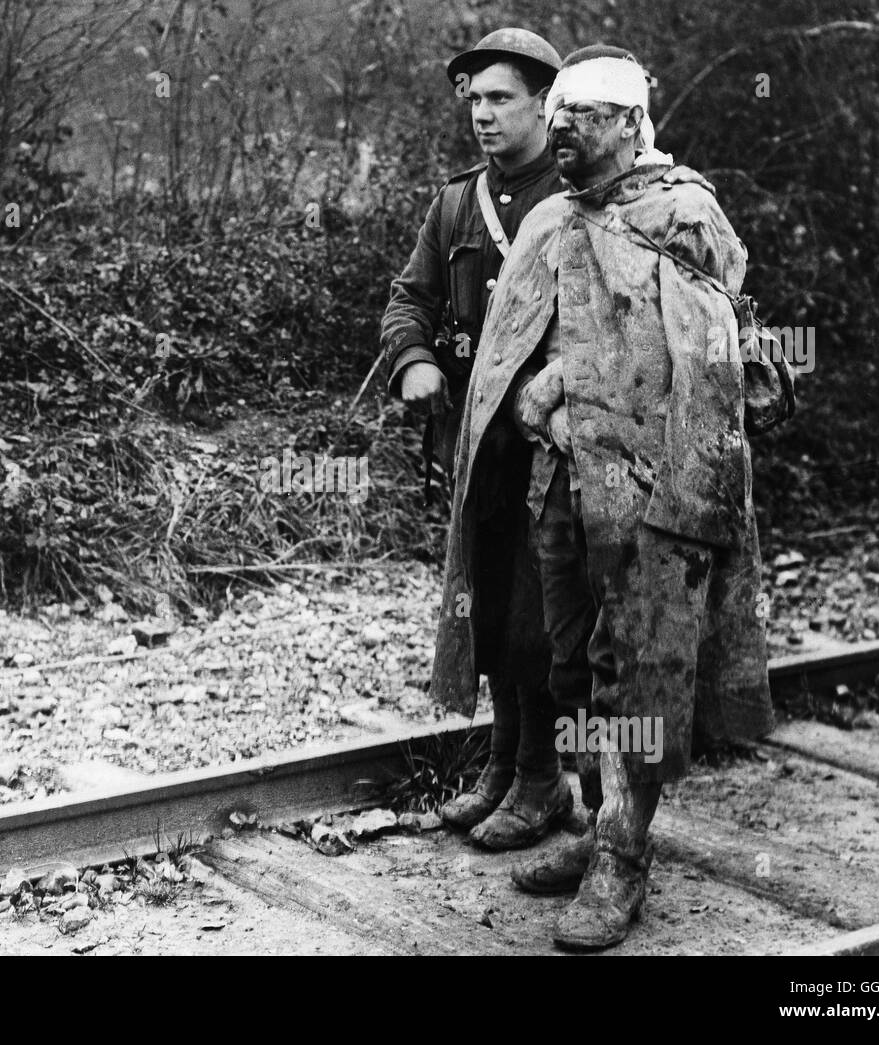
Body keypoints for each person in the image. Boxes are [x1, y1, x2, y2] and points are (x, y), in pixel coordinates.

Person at [460, 44, 775, 950]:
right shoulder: (551, 219)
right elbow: (511, 347)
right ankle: (598, 822)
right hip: (563, 484)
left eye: (583, 117)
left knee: (645, 672)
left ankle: (625, 857)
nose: (559, 130)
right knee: (572, 665)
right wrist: (533, 398)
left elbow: (697, 357)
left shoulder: (685, 216)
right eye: (555, 116)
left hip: (655, 492)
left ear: (633, 124)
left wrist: (571, 378)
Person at [380, 29, 581, 850]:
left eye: (500, 99)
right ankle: (503, 764)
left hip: (551, 445)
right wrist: (414, 360)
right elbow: (408, 297)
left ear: (543, 103)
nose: (483, 115)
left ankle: (545, 781)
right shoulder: (457, 202)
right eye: (474, 101)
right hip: (476, 447)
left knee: (543, 620)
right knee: (489, 608)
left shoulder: (576, 199)